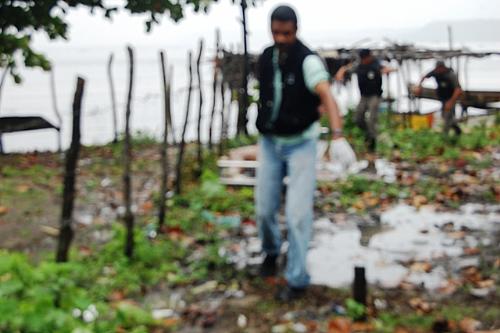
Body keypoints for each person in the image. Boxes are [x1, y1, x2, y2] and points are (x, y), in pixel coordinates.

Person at [255, 5, 356, 301]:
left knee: (298, 214)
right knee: (263, 209)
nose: (281, 38)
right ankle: (271, 252)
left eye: (286, 33)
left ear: (295, 31)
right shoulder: (266, 57)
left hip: (301, 143)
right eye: (276, 32)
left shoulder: (308, 60)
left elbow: (326, 94)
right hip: (270, 142)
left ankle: (297, 279)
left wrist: (337, 136)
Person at [336, 49, 395, 152]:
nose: (364, 60)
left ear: (369, 57)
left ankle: (372, 144)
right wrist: (341, 72)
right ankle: (368, 134)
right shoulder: (359, 65)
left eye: (365, 58)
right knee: (358, 118)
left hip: (375, 96)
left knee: (372, 119)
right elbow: (346, 69)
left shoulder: (376, 64)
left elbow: (389, 68)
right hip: (364, 96)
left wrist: (384, 71)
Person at [415, 60, 463, 136]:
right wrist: (419, 86)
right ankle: (458, 131)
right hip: (442, 98)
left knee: (447, 117)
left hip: (451, 98)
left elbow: (458, 90)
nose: (437, 70)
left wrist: (450, 102)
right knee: (446, 116)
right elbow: (424, 77)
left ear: (443, 67)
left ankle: (445, 136)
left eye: (439, 68)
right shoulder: (435, 72)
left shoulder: (450, 75)